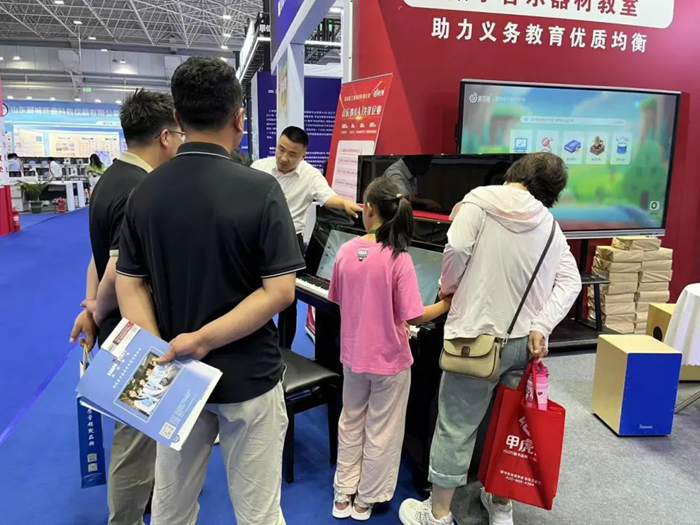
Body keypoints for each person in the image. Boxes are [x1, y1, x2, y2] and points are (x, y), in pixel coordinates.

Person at [115, 56, 303, 525]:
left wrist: (164, 350)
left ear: (178, 119)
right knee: (259, 514)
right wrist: (204, 340)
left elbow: (129, 283)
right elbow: (280, 292)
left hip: (173, 376)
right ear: (239, 118)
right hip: (249, 378)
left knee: (171, 510)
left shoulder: (145, 193)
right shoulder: (262, 190)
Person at [399, 153, 582, 525]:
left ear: (515, 172)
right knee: (510, 425)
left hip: (474, 340)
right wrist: (542, 325)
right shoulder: (550, 225)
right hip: (523, 344)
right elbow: (571, 282)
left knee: (455, 425)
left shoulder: (478, 201)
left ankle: (437, 514)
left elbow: (456, 250)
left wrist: (448, 289)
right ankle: (500, 503)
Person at [69, 88, 183, 525]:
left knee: (140, 433)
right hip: (133, 334)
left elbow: (98, 257)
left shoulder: (110, 179)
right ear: (165, 136)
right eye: (178, 135)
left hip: (118, 327)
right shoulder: (140, 188)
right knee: (134, 440)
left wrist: (90, 309)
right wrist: (97, 312)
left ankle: (144, 502)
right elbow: (117, 271)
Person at [329, 177, 451, 520]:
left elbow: (336, 297)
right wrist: (446, 304)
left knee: (350, 419)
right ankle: (366, 499)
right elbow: (414, 314)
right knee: (382, 428)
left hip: (352, 356)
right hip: (390, 360)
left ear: (368, 209)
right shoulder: (399, 258)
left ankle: (342, 494)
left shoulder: (345, 250)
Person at [251, 127, 362, 349]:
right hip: (256, 239)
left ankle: (285, 350)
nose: (284, 157)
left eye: (292, 154)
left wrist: (345, 203)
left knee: (287, 301)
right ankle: (254, 346)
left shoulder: (310, 175)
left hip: (290, 242)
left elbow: (328, 197)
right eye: (281, 149)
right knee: (252, 295)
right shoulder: (259, 167)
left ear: (303, 155)